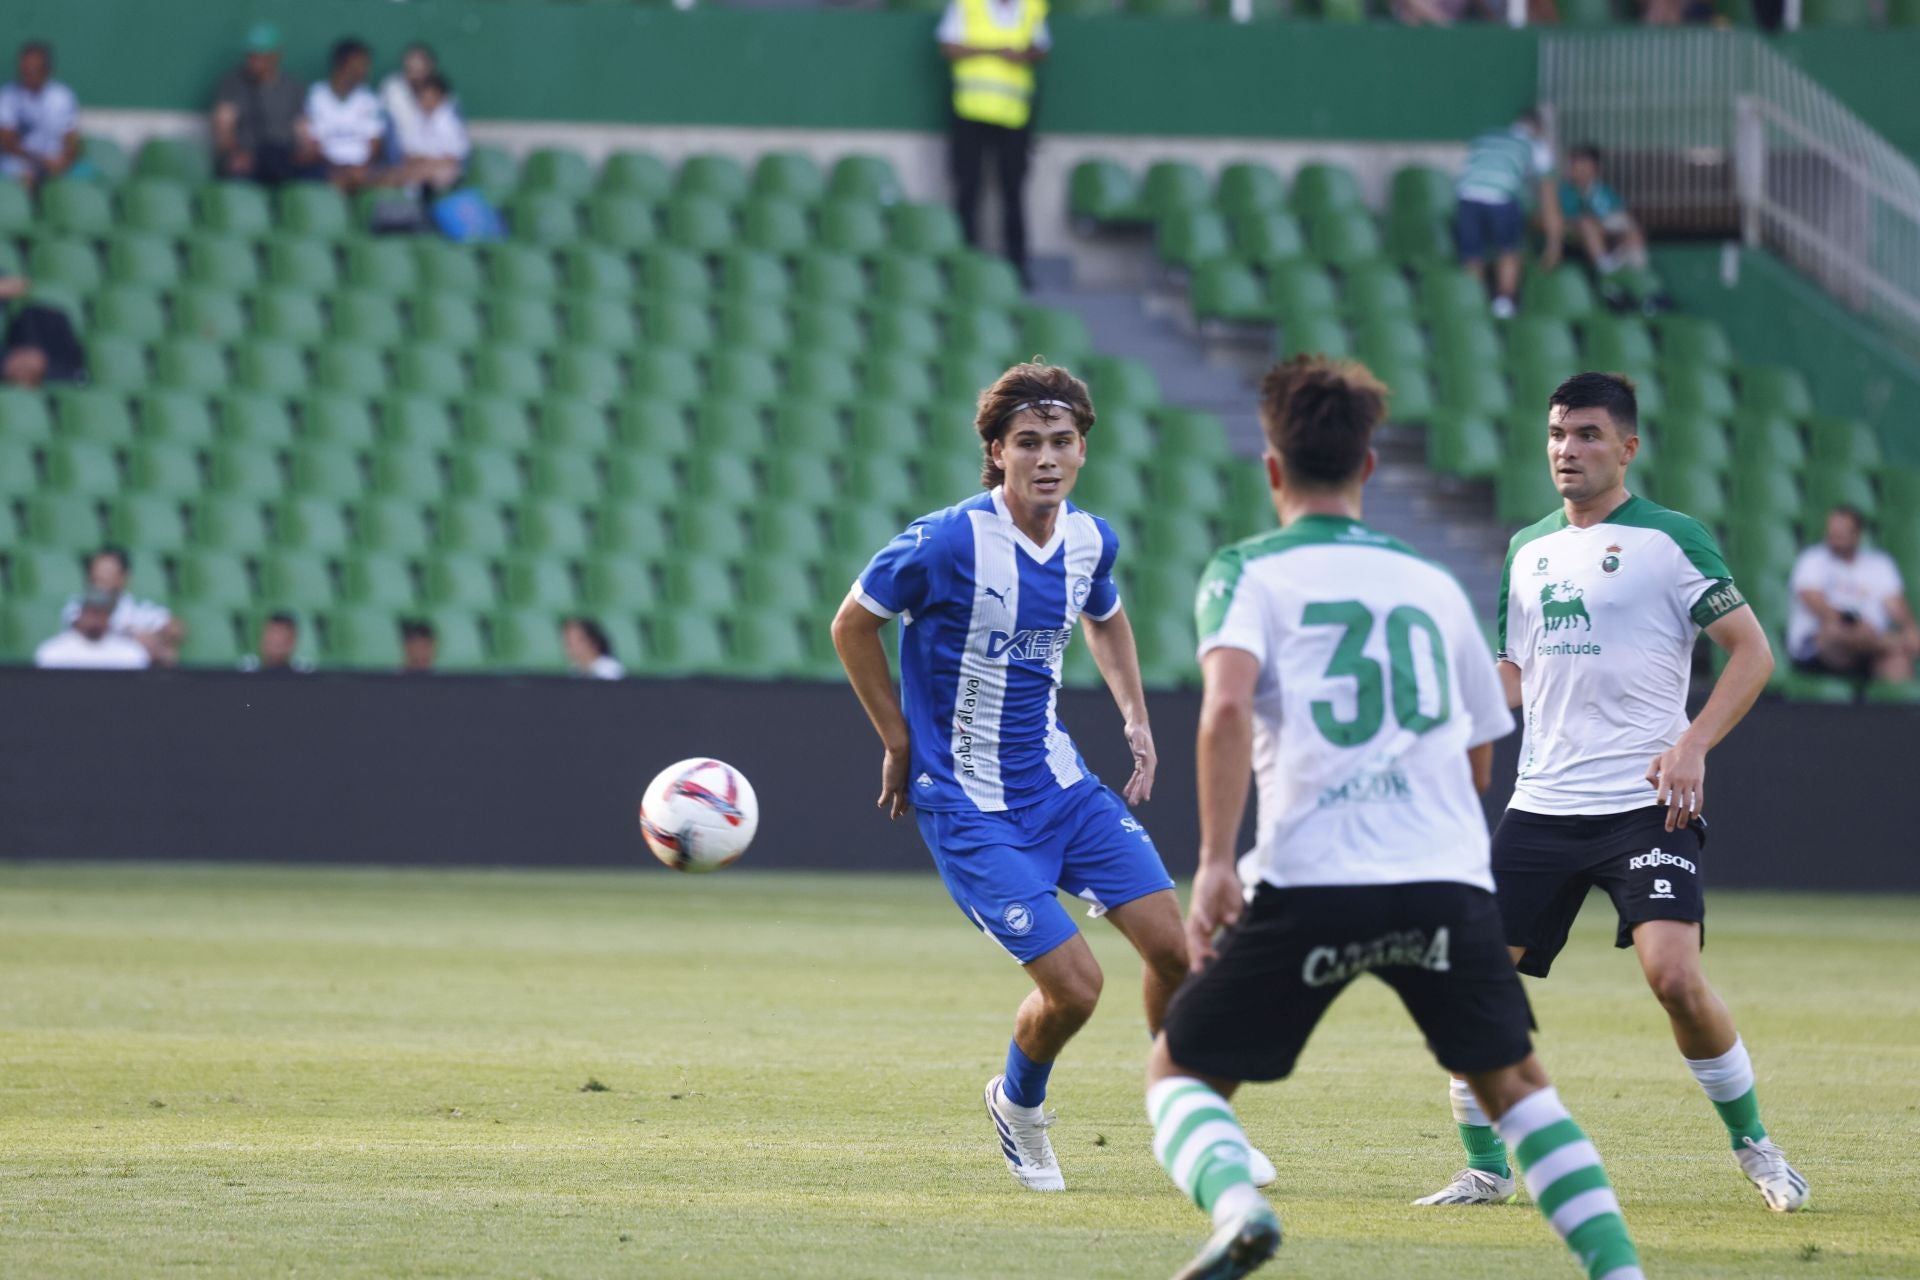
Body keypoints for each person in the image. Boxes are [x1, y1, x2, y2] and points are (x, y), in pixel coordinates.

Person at [1147, 356, 1644, 1280]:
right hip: (1442, 879)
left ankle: (1241, 1210)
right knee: (1518, 1087)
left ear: (1272, 467)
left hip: (1312, 878)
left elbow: (1226, 708)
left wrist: (1214, 861)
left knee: (1177, 1073)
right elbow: (1480, 753)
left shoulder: (1245, 571)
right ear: (1369, 466)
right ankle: (1619, 1270)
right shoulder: (1431, 582)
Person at [829, 361, 1274, 1194]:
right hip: (968, 806)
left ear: (1082, 450)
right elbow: (852, 625)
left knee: (1179, 951)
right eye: (1027, 442)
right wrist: (896, 739)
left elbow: (1106, 616)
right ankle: (1018, 1105)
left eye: (1062, 441)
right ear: (996, 452)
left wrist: (1136, 716)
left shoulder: (1090, 539)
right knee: (1075, 989)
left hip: (1062, 790)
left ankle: (1191, 1116)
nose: (1046, 458)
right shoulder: (946, 541)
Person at [1417, 372, 1806, 1214]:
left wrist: (1693, 744)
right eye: (1558, 433)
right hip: (1541, 805)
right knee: (1472, 989)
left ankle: (1759, 1148)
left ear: (1627, 448)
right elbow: (1514, 672)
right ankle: (1486, 1170)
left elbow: (1752, 652)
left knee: (1675, 977)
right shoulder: (1528, 548)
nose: (1568, 449)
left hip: (1644, 804)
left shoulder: (1671, 539)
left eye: (1588, 434)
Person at [938, 0, 1048, 287]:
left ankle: (1017, 267)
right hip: (970, 111)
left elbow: (1041, 48)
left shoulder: (1032, 6)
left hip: (1014, 115)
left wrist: (1023, 55)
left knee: (1014, 192)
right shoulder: (967, 5)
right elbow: (948, 46)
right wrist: (993, 51)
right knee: (968, 188)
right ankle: (964, 267)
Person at [1787, 505, 1919, 684]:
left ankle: (1895, 701)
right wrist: (1856, 625)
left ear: (1857, 534)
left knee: (1898, 663)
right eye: (1832, 532)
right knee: (1834, 631)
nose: (1835, 537)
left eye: (1841, 533)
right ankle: (1892, 643)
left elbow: (1895, 604)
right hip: (1820, 650)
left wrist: (1910, 629)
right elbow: (1814, 601)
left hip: (1868, 653)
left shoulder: (1879, 564)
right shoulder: (1813, 559)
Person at [1454, 112, 1562, 321]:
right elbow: (1549, 199)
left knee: (1472, 256)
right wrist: (1554, 246)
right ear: (1539, 129)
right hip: (1500, 197)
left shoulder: (1488, 136)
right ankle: (1504, 305)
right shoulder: (1535, 146)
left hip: (1466, 196)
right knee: (1509, 250)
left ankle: (1475, 307)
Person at [1558, 144, 1665, 314]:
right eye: (1576, 164)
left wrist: (1621, 233)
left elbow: (1620, 220)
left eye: (1585, 164)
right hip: (1577, 240)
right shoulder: (1564, 192)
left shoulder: (1604, 191)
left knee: (1630, 229)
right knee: (1587, 224)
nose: (1579, 169)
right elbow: (1568, 222)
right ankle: (1608, 279)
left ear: (1594, 167)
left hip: (1610, 240)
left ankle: (1644, 288)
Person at [212, 23, 321, 186]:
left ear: (275, 56)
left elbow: (301, 127)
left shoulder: (292, 87)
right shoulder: (233, 84)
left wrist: (308, 149)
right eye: (252, 56)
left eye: (261, 57)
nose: (255, 63)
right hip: (250, 159)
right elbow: (223, 127)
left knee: (315, 176)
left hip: (284, 158)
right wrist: (234, 154)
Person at [62, 546, 182, 667]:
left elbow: (175, 629)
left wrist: (157, 640)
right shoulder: (78, 605)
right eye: (97, 571)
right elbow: (87, 627)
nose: (101, 578)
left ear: (124, 578)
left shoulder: (135, 608)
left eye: (108, 572)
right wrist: (132, 637)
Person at [303, 38, 384, 193]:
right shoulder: (317, 95)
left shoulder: (368, 98)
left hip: (362, 171)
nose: (365, 71)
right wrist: (339, 170)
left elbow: (374, 144)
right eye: (360, 65)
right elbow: (313, 144)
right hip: (326, 169)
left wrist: (359, 170)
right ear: (343, 65)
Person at [0, 41, 81, 193]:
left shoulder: (63, 96)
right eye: (25, 68)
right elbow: (7, 140)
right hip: (20, 160)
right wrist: (40, 161)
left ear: (47, 70)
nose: (28, 73)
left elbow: (71, 137)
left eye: (34, 68)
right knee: (20, 175)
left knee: (85, 177)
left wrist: (64, 161)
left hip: (56, 161)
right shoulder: (7, 96)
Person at [388, 74, 466, 194]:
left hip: (445, 173)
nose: (425, 99)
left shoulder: (449, 122)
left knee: (437, 174)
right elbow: (408, 155)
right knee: (396, 174)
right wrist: (422, 164)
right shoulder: (416, 119)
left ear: (440, 96)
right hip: (418, 169)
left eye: (429, 95)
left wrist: (426, 165)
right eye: (421, 95)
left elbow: (453, 160)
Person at [36, 589, 151, 670]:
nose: (98, 618)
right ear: (79, 615)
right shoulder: (54, 652)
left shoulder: (130, 653)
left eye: (104, 612)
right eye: (93, 612)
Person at [378, 44, 441, 153]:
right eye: (411, 69)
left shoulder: (441, 91)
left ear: (430, 68)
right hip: (399, 153)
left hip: (436, 151)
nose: (415, 76)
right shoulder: (392, 88)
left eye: (420, 70)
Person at [239, 611, 312, 673]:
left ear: (292, 642)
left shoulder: (305, 674)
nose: (274, 648)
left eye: (280, 642)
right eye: (270, 640)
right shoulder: (246, 671)